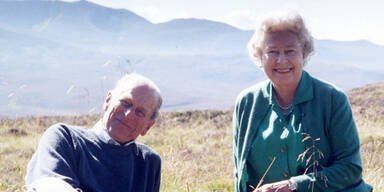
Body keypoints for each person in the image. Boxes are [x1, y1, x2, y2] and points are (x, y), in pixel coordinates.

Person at [232, 12, 372, 192]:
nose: (282, 60)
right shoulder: (246, 103)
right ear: (260, 57)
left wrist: (294, 186)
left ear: (304, 54)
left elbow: (350, 169)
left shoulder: (332, 99)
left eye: (290, 51)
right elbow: (240, 174)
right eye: (272, 51)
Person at [25, 74, 163, 192]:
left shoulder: (148, 162)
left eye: (140, 112)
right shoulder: (65, 138)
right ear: (108, 101)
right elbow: (51, 186)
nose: (128, 115)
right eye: (125, 102)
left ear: (148, 127)